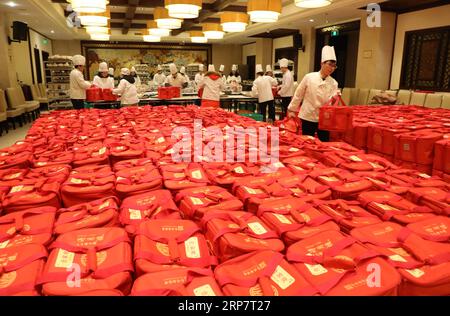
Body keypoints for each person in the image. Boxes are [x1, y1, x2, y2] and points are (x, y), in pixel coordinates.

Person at [288, 46, 339, 142]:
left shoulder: (334, 83)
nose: (332, 68)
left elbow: (332, 103)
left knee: (324, 142)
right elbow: (299, 94)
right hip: (308, 115)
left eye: (334, 66)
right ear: (322, 63)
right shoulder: (309, 77)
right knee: (307, 142)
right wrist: (292, 110)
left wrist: (336, 99)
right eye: (330, 64)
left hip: (324, 119)